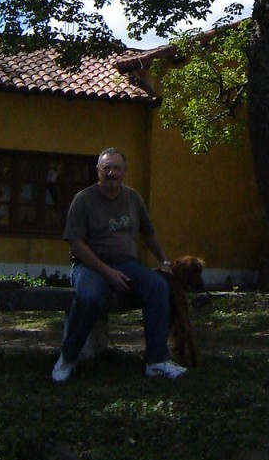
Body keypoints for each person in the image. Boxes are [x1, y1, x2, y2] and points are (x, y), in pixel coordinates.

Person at [52, 147, 187, 382]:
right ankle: (68, 358)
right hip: (90, 267)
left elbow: (148, 232)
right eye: (106, 168)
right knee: (89, 298)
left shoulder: (133, 199)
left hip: (127, 264)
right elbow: (76, 244)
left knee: (158, 287)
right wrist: (108, 273)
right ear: (98, 171)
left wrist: (164, 261)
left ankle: (156, 361)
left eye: (116, 168)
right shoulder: (83, 200)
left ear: (124, 172)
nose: (111, 172)